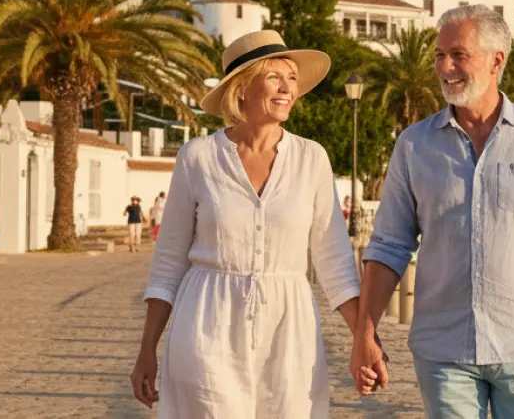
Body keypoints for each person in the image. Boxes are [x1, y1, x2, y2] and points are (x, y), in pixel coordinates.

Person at [350, 5, 514, 417]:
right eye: (438, 55)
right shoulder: (413, 146)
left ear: (497, 59)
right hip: (443, 350)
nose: (445, 66)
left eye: (458, 54)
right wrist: (365, 332)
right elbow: (389, 246)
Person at [130, 30, 375, 418]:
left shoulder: (312, 158)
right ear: (242, 88)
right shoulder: (199, 158)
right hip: (208, 323)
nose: (288, 88)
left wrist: (365, 338)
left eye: (292, 78)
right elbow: (167, 264)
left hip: (289, 330)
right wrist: (147, 350)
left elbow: (335, 264)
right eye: (275, 76)